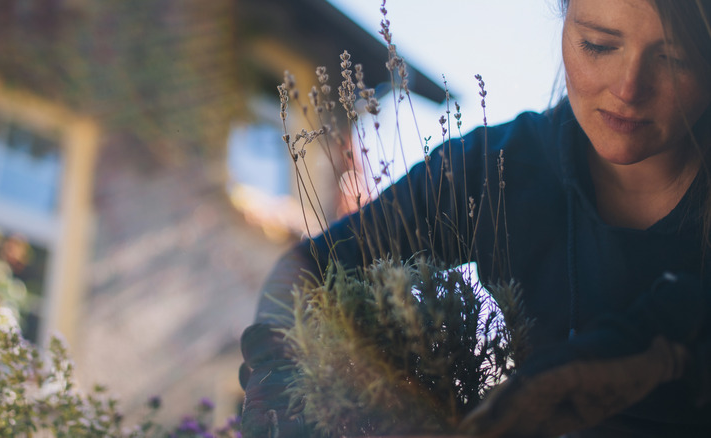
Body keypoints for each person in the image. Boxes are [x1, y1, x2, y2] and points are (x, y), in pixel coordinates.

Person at [239, 0, 711, 436]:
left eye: (674, 58)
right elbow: (307, 271)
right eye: (599, 45)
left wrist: (648, 352)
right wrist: (281, 386)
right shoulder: (494, 172)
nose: (629, 88)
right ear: (565, 26)